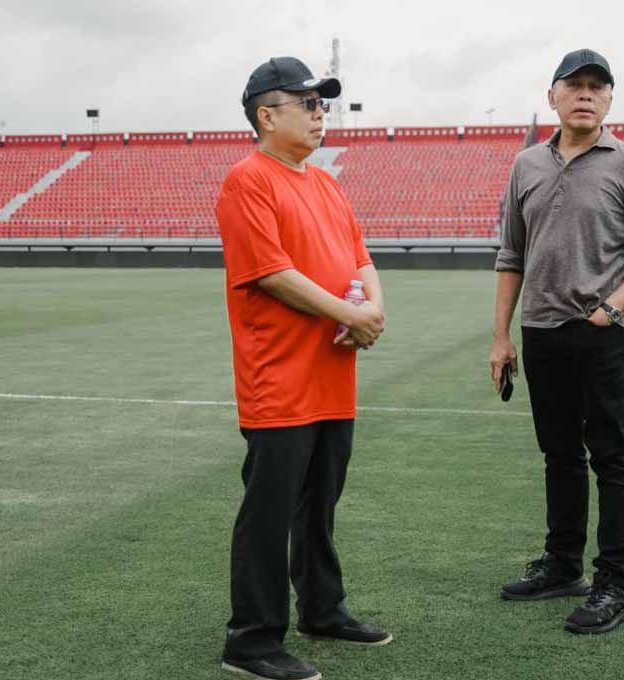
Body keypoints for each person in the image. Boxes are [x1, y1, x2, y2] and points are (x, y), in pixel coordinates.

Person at [217, 56, 391, 680]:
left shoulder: (327, 185)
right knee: (268, 511)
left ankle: (322, 608)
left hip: (331, 374)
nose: (322, 114)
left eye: (323, 104)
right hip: (280, 378)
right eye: (308, 103)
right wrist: (357, 317)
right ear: (267, 114)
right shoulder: (248, 180)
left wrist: (373, 307)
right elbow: (271, 274)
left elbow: (360, 256)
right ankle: (252, 639)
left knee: (320, 503)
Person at [489, 48, 624, 635]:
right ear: (553, 97)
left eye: (598, 86)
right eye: (575, 86)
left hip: (602, 335)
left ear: (610, 99)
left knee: (612, 457)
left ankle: (614, 586)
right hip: (539, 332)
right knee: (559, 454)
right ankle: (563, 565)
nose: (586, 94)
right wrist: (501, 337)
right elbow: (510, 254)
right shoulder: (526, 166)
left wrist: (609, 311)